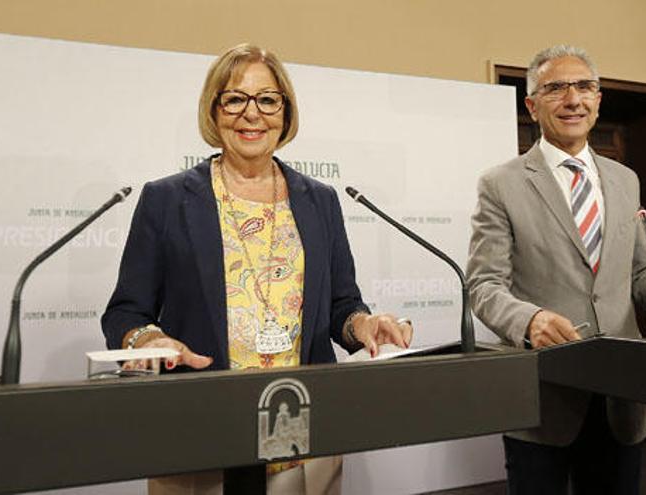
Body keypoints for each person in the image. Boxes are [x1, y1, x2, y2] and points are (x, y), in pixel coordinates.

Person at [101, 43, 413, 494]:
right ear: (214, 110)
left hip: (300, 431)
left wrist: (363, 324)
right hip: (199, 430)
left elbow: (342, 305)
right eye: (235, 99)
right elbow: (124, 313)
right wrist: (148, 339)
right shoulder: (166, 200)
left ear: (285, 112)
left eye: (268, 100)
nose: (252, 114)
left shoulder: (319, 200)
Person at [465, 44, 646, 495]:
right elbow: (483, 285)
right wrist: (529, 320)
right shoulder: (502, 184)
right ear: (532, 105)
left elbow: (641, 271)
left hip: (622, 395)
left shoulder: (624, 178)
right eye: (556, 88)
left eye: (584, 87)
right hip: (545, 395)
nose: (572, 99)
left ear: (598, 100)